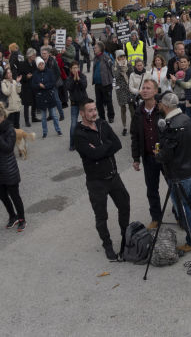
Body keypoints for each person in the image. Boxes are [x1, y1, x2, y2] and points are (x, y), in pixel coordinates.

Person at [74, 97, 130, 260]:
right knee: (101, 216)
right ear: (82, 113)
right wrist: (106, 146)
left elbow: (118, 144)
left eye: (95, 109)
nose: (94, 113)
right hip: (96, 182)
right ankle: (107, 244)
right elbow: (93, 155)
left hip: (113, 176)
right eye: (90, 110)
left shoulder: (102, 124)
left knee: (124, 205)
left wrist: (100, 148)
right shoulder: (78, 134)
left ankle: (125, 237)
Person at [156, 92, 191, 253]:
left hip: (179, 174)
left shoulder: (171, 125)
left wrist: (158, 154)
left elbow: (167, 154)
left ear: (165, 105)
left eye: (160, 103)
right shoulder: (186, 119)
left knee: (184, 210)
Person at [130, 79, 164, 229]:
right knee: (151, 190)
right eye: (143, 88)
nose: (144, 90)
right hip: (149, 158)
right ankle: (156, 218)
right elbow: (135, 136)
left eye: (148, 88)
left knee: (174, 188)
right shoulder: (138, 112)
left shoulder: (163, 109)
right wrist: (136, 158)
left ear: (156, 91)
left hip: (166, 157)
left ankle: (180, 215)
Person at [31, 57, 62, 138]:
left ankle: (58, 130)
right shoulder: (35, 74)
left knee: (54, 115)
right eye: (39, 64)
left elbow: (53, 82)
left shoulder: (49, 72)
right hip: (41, 97)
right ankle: (45, 132)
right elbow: (33, 85)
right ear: (37, 66)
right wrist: (39, 85)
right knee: (43, 117)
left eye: (42, 64)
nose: (41, 65)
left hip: (49, 95)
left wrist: (45, 86)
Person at [64, 62, 88, 152]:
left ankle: (87, 141)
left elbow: (84, 86)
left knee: (86, 121)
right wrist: (74, 80)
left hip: (83, 102)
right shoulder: (69, 78)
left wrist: (79, 80)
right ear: (70, 69)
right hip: (74, 103)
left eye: (77, 68)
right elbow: (69, 88)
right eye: (73, 68)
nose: (75, 70)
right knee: (74, 123)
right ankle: (72, 144)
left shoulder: (83, 76)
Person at [91, 43, 116, 124]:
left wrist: (113, 81)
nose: (94, 49)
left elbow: (112, 69)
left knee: (108, 101)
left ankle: (111, 116)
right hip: (97, 84)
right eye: (94, 48)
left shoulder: (106, 57)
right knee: (98, 102)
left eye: (96, 48)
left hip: (106, 83)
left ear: (100, 48)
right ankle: (102, 117)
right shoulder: (95, 58)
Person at [113, 50, 133, 136]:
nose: (122, 58)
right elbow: (116, 76)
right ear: (117, 58)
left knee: (132, 107)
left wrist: (129, 67)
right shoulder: (115, 66)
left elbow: (132, 74)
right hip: (120, 89)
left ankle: (133, 125)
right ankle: (124, 127)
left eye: (123, 56)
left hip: (129, 88)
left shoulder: (128, 64)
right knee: (123, 108)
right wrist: (120, 67)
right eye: (120, 57)